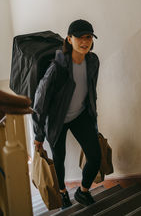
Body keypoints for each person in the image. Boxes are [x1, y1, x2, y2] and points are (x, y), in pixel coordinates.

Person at [32, 19, 101, 209]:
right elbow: (40, 102)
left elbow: (91, 92)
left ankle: (83, 191)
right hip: (57, 121)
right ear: (69, 39)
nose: (85, 41)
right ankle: (62, 193)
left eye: (88, 37)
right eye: (80, 37)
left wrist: (93, 118)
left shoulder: (93, 61)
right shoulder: (57, 68)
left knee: (95, 156)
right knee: (59, 160)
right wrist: (38, 135)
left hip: (80, 116)